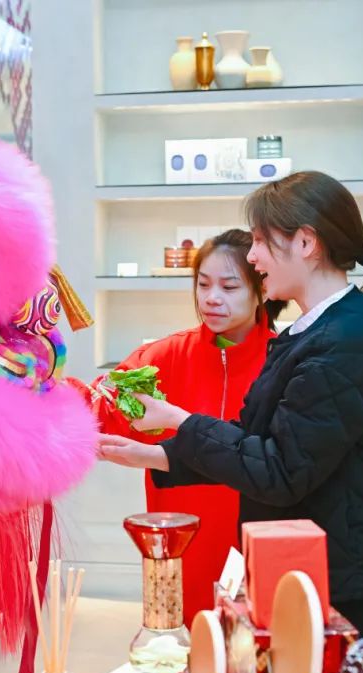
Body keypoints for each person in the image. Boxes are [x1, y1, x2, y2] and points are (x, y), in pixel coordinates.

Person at [98, 171, 363, 638]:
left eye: (260, 240)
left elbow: (279, 469)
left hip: (356, 592)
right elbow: (259, 441)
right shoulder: (321, 333)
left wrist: (179, 420)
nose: (253, 256)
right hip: (327, 575)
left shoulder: (346, 342)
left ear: (306, 243)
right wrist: (156, 455)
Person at [86, 229, 281, 620]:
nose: (211, 298)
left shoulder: (283, 361)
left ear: (262, 289)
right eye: (203, 285)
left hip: (259, 546)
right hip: (178, 548)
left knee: (256, 647)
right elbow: (100, 407)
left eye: (229, 286)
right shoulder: (164, 356)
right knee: (175, 645)